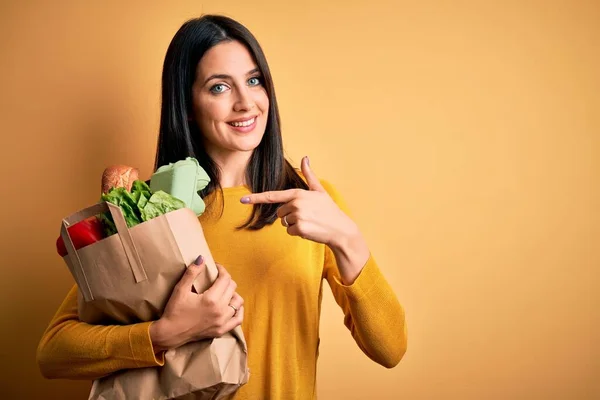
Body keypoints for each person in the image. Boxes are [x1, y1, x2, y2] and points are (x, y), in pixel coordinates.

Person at [37, 14, 407, 400]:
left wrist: (347, 238)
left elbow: (390, 348)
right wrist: (165, 333)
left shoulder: (310, 202)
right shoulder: (150, 210)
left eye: (254, 80)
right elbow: (54, 352)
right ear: (189, 106)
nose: (246, 102)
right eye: (219, 88)